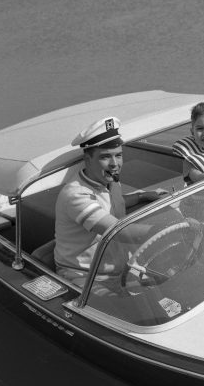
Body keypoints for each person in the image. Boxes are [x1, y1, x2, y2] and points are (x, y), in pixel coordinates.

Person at [53, 116, 169, 289]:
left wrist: (142, 196)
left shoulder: (110, 181)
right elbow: (120, 232)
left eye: (119, 156)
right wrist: (166, 231)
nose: (115, 164)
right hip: (84, 276)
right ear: (87, 159)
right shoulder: (76, 195)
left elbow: (113, 205)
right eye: (105, 157)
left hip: (119, 270)